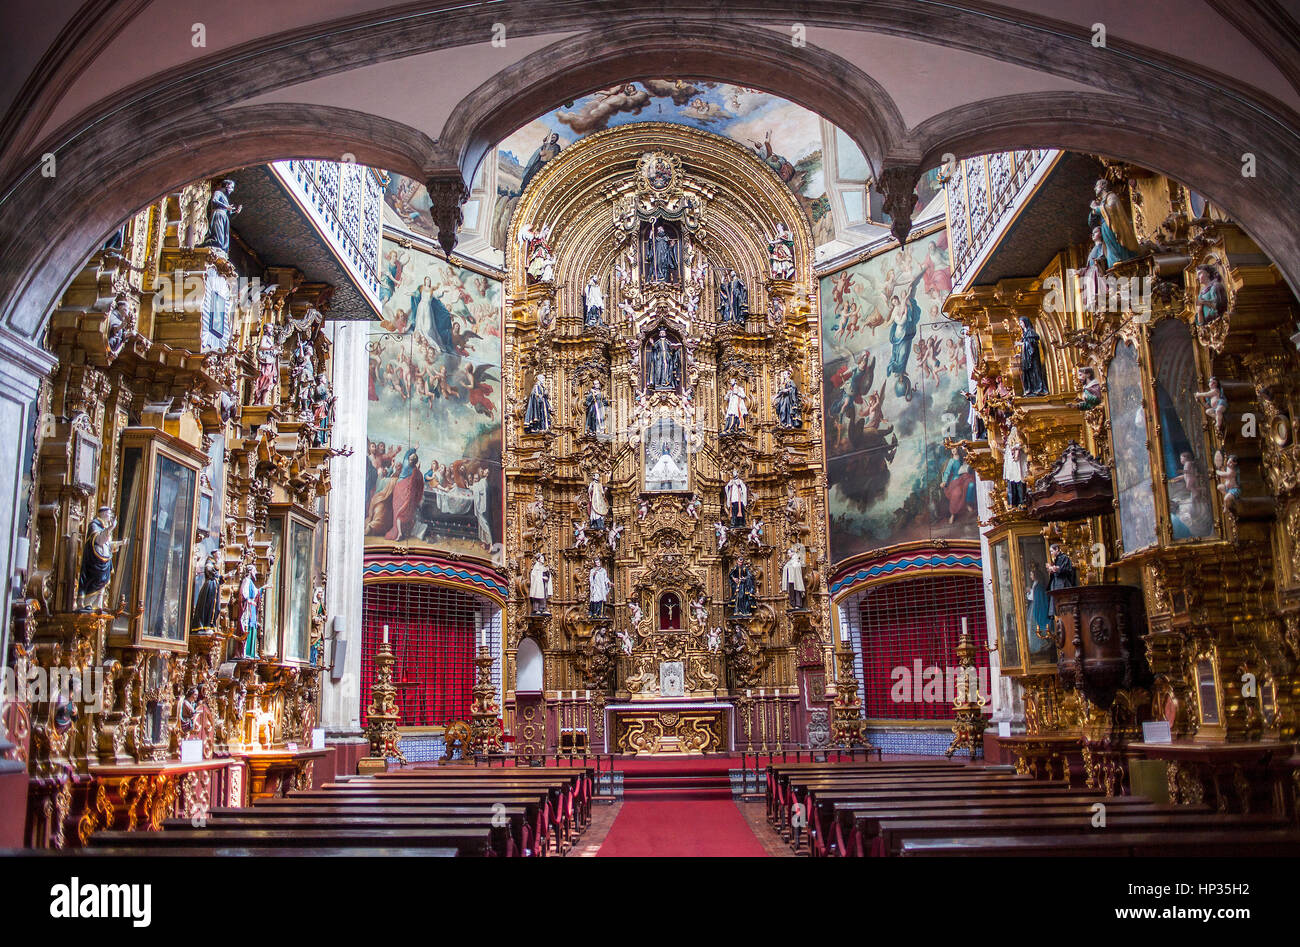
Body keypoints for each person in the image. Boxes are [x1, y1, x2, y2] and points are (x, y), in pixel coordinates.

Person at [78, 506, 123, 612]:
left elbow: (107, 545)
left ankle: (98, 604)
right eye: (108, 514)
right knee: (94, 581)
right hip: (94, 562)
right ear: (102, 514)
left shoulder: (104, 527)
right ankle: (87, 603)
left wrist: (120, 543)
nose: (110, 516)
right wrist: (111, 528)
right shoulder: (94, 525)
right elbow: (99, 541)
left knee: (103, 583)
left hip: (105, 561)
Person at [198, 179, 242, 253]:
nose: (232, 190)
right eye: (232, 187)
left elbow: (230, 215)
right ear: (227, 185)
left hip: (224, 217)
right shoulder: (218, 192)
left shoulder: (225, 198)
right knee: (218, 235)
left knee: (223, 237)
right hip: (218, 214)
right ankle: (214, 243)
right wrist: (226, 207)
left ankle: (221, 248)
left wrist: (236, 212)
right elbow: (214, 200)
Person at [1018, 315, 1049, 396]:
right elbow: (1025, 348)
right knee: (1027, 374)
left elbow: (1032, 345)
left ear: (1025, 322)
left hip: (1032, 359)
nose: (1020, 324)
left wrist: (1021, 344)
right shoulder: (1024, 334)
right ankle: (1029, 389)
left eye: (1021, 322)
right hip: (1026, 359)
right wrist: (1020, 354)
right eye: (1020, 323)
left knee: (1034, 373)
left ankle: (1038, 388)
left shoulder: (1031, 332)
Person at [783, 542, 806, 610]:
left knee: (797, 591)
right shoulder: (790, 561)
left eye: (789, 553)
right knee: (791, 592)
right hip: (790, 579)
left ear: (793, 553)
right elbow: (786, 567)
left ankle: (798, 604)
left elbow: (797, 567)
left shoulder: (797, 560)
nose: (788, 554)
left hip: (795, 579)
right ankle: (793, 604)